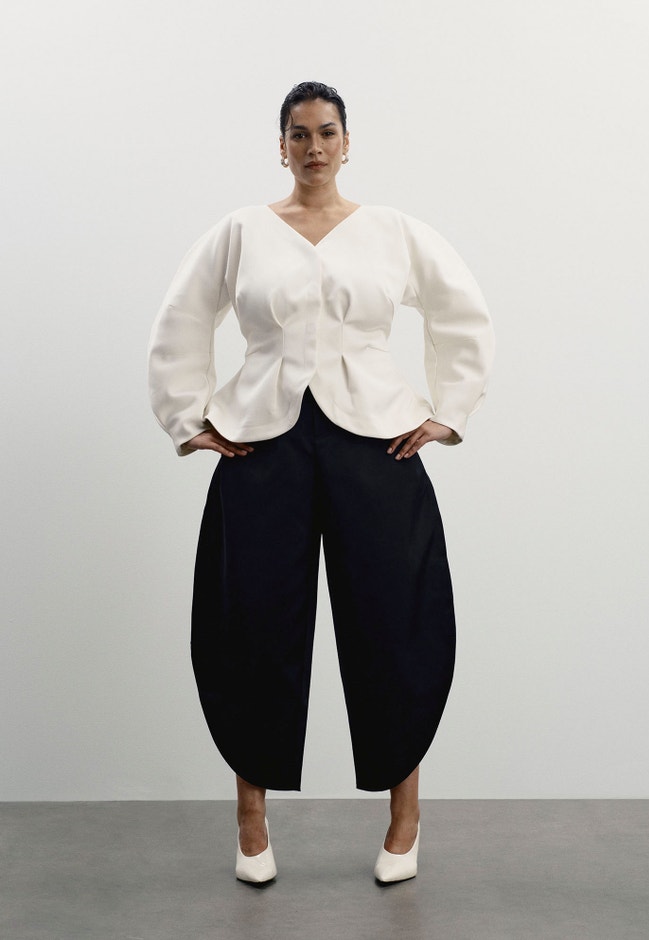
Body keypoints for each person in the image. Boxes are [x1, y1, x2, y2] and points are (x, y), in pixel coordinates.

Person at [148, 81, 494, 885]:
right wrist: (188, 417)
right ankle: (251, 818)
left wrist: (447, 412)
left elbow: (461, 311)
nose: (313, 147)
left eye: (326, 132)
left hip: (376, 442)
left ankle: (405, 816)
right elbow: (181, 318)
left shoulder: (391, 231)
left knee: (393, 618)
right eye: (298, 134)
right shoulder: (241, 232)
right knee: (251, 621)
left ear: (347, 142)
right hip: (261, 443)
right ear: (280, 146)